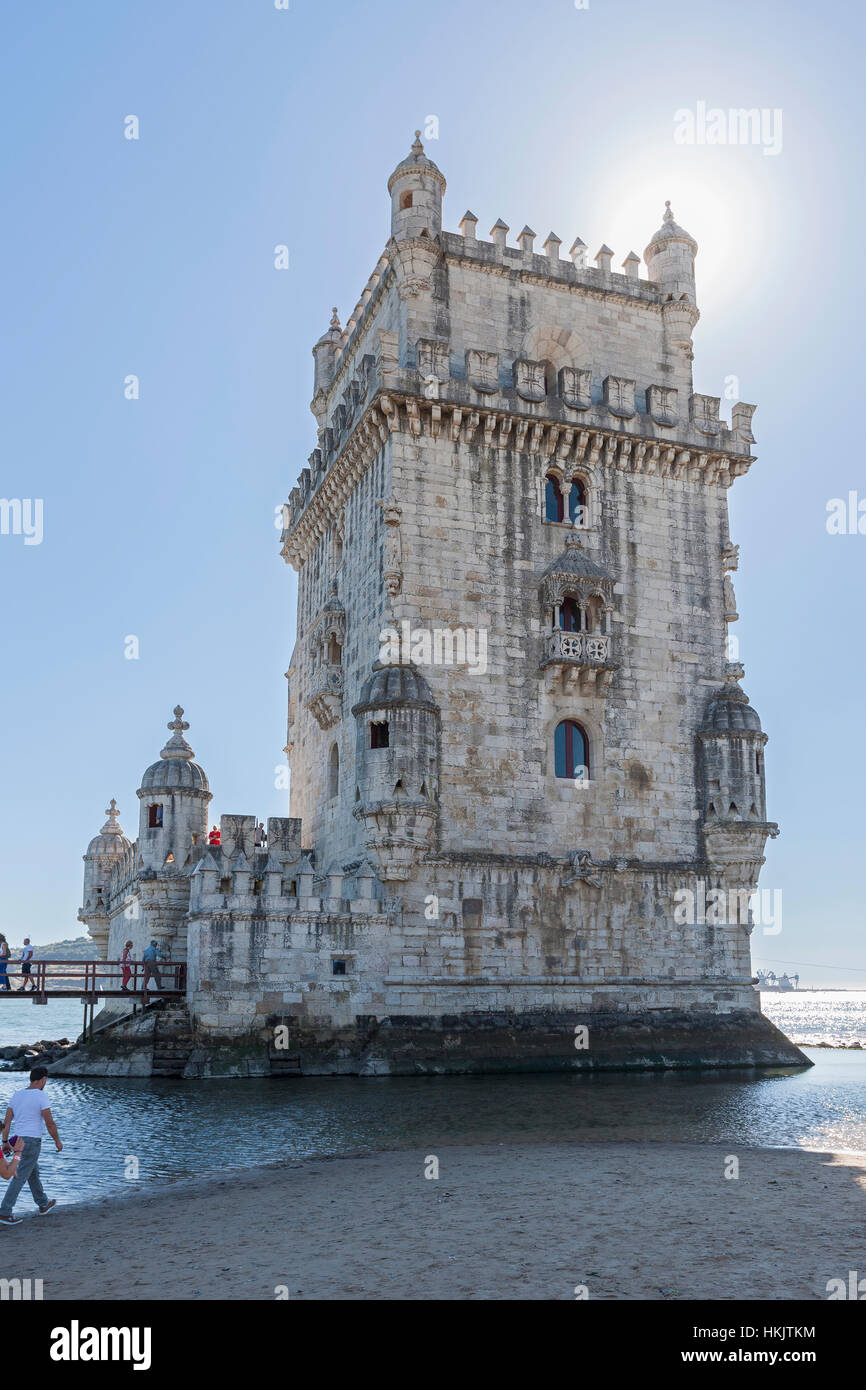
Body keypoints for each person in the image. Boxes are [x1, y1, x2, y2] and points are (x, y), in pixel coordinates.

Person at [0, 1066, 62, 1225]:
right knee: (21, 1174)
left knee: (32, 1171)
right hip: (31, 1142)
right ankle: (5, 1212)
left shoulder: (16, 1095)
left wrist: (5, 1142)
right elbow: (49, 1123)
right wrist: (57, 1140)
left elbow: (6, 1122)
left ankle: (43, 1203)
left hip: (16, 1140)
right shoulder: (41, 1096)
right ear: (43, 1080)